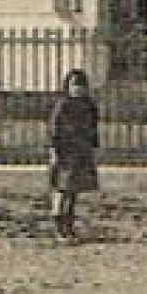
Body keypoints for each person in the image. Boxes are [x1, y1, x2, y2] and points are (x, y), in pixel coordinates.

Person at [48, 68, 100, 242]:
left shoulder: (89, 105)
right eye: (74, 85)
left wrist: (93, 147)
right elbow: (55, 130)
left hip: (82, 152)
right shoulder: (63, 105)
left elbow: (93, 128)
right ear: (68, 87)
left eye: (81, 85)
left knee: (75, 190)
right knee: (62, 189)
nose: (78, 89)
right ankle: (59, 226)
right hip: (66, 152)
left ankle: (69, 225)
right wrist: (55, 150)